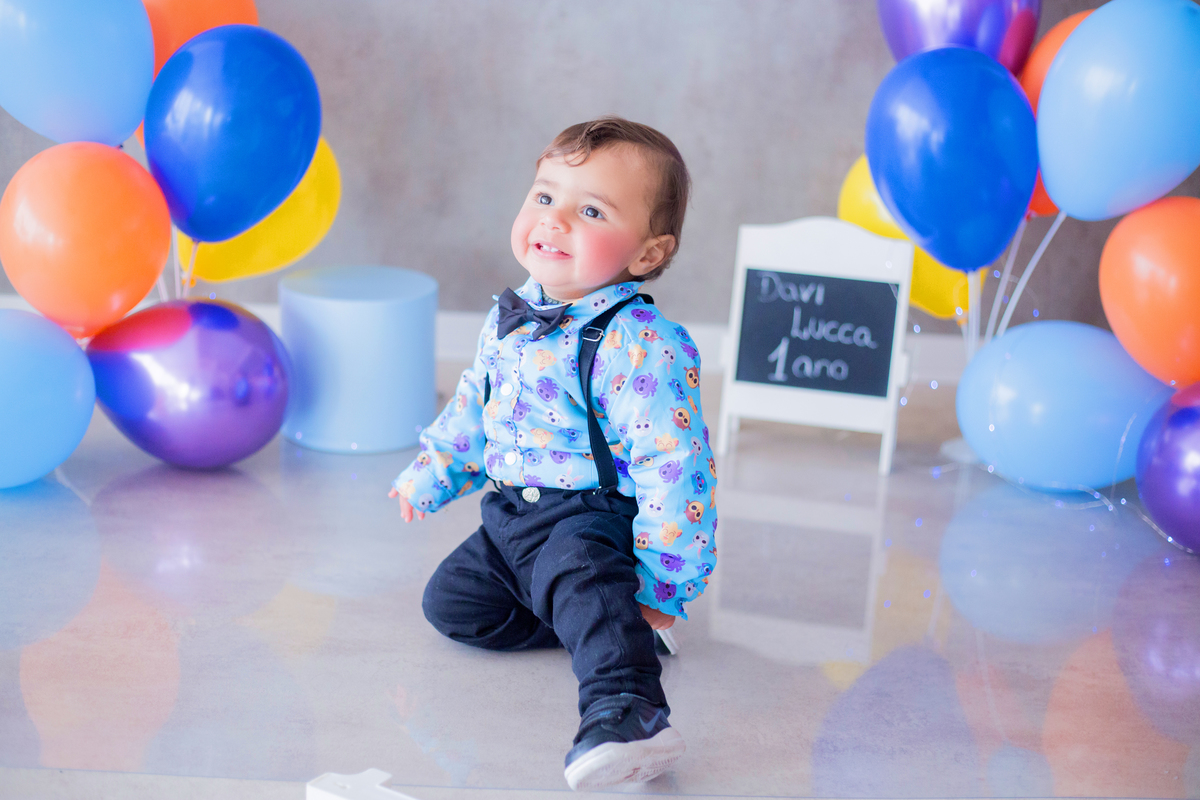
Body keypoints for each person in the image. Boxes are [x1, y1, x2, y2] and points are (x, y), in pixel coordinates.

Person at [389, 117, 718, 791]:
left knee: (581, 574)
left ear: (649, 253)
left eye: (591, 209)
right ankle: (602, 618)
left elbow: (674, 466)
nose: (555, 219)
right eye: (545, 197)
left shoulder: (640, 343)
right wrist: (432, 472)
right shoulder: (509, 315)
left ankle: (629, 713)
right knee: (452, 606)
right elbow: (473, 410)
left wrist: (666, 581)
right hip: (510, 516)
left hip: (588, 521)